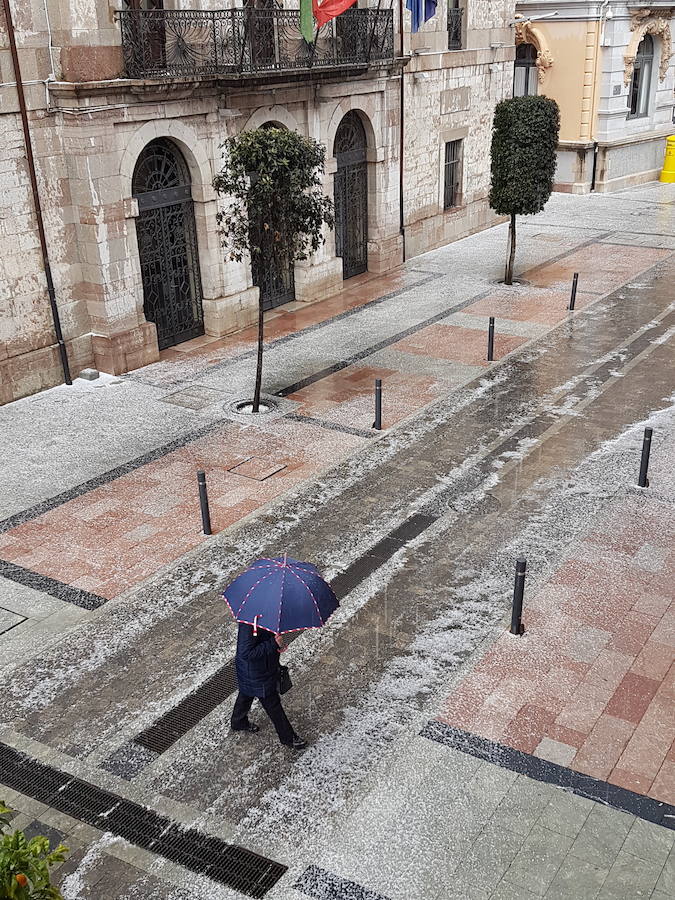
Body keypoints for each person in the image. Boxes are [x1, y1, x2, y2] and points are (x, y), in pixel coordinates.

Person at [231, 622, 307, 750]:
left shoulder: (265, 613)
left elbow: (265, 637)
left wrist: (277, 646)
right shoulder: (249, 624)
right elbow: (246, 653)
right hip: (256, 673)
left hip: (260, 669)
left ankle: (238, 721)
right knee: (273, 704)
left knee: (246, 693)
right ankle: (288, 738)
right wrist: (273, 644)